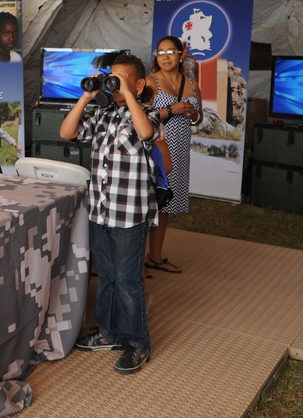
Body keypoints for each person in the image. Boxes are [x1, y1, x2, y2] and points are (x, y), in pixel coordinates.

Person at [60, 53, 161, 376]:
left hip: (129, 214)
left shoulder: (150, 114)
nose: (113, 84)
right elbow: (67, 132)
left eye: (119, 79)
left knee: (127, 280)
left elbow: (145, 134)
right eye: (110, 78)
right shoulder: (102, 115)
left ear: (139, 84)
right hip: (100, 211)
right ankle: (108, 332)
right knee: (104, 276)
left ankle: (136, 342)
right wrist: (87, 95)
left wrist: (129, 95)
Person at [144, 36, 201, 275]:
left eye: (170, 52)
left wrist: (190, 115)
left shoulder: (190, 82)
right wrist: (171, 110)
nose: (165, 56)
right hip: (154, 148)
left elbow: (199, 118)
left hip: (179, 150)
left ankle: (155, 258)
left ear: (180, 55)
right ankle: (135, 264)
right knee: (144, 204)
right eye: (160, 52)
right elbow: (138, 116)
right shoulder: (149, 82)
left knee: (163, 204)